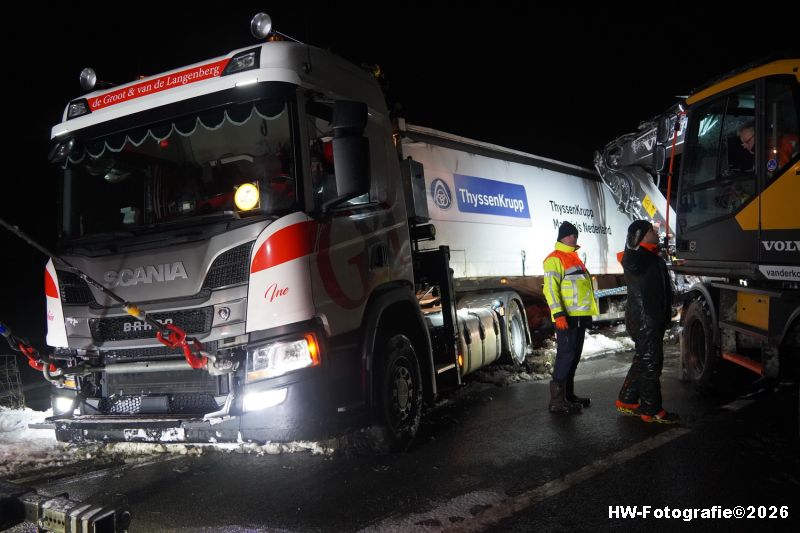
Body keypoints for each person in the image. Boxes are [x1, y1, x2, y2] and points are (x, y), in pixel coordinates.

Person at [615, 220, 679, 423]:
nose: (657, 232)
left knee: (643, 359)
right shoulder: (636, 257)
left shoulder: (652, 257)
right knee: (652, 363)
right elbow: (630, 259)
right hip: (645, 319)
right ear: (640, 235)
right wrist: (631, 242)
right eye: (652, 230)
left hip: (652, 318)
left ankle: (627, 399)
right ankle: (651, 410)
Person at [542, 221, 599, 414]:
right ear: (563, 237)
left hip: (579, 317)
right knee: (565, 356)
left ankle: (568, 395)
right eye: (571, 235)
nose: (575, 238)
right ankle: (557, 401)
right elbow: (550, 288)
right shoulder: (555, 258)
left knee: (573, 356)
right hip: (566, 317)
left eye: (576, 235)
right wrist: (558, 314)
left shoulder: (574, 257)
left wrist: (587, 315)